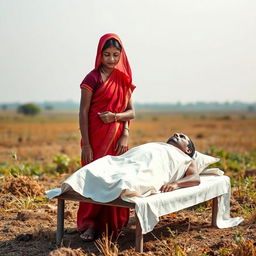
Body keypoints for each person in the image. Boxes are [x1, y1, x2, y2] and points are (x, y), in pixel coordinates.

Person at [64, 132, 199, 241]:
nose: (176, 134)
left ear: (188, 149)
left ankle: (116, 188)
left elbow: (195, 178)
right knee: (101, 166)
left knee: (127, 179)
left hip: (149, 169)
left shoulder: (185, 158)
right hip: (129, 161)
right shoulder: (157, 146)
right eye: (177, 134)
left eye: (182, 137)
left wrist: (176, 184)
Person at [78, 33, 136, 241]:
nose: (111, 59)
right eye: (107, 55)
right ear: (99, 55)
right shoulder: (91, 78)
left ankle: (114, 226)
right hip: (94, 139)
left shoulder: (123, 80)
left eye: (115, 55)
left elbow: (131, 113)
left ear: (121, 55)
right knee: (95, 180)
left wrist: (121, 129)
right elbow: (83, 112)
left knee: (115, 181)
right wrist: (86, 144)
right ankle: (91, 225)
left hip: (118, 141)